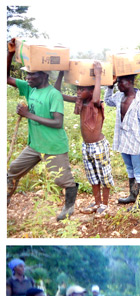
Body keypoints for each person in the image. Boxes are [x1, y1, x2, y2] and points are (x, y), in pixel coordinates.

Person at [6, 38, 78, 221]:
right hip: (35, 145)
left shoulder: (53, 95)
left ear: (44, 76)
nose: (28, 78)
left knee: (63, 180)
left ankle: (69, 208)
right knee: (14, 169)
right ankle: (5, 197)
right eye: (27, 75)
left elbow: (57, 123)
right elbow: (6, 78)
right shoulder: (31, 89)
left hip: (53, 146)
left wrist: (27, 114)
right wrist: (10, 53)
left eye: (32, 75)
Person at [52, 62, 113, 216]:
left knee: (104, 176)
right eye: (78, 89)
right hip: (86, 146)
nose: (78, 92)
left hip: (98, 146)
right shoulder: (80, 102)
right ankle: (97, 203)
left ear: (92, 90)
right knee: (92, 176)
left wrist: (98, 75)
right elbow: (56, 92)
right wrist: (60, 73)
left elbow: (96, 97)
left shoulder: (96, 103)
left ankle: (105, 205)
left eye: (82, 89)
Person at [104, 74, 140, 210]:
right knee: (130, 170)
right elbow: (107, 100)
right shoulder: (119, 97)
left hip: (137, 143)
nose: (118, 85)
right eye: (118, 82)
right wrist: (110, 86)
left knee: (139, 171)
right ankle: (133, 195)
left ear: (130, 82)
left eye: (121, 82)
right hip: (124, 142)